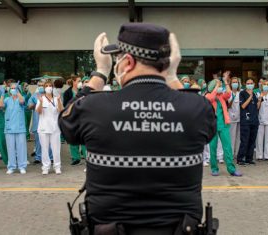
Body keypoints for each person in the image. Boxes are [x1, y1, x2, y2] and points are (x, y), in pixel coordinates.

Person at [59, 23, 216, 234]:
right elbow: (202, 119)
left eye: (118, 59)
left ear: (128, 61)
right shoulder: (197, 108)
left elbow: (66, 122)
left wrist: (100, 72)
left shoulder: (93, 107)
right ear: (167, 63)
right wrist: (172, 77)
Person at [205, 72, 242, 176]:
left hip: (224, 125)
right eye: (218, 86)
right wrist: (217, 85)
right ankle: (214, 168)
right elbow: (211, 98)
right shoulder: (208, 95)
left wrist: (225, 82)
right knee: (213, 148)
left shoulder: (222, 96)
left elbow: (229, 94)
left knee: (227, 148)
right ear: (213, 87)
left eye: (220, 86)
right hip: (212, 126)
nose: (220, 88)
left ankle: (231, 169)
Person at [0, 83, 27, 174]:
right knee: (10, 148)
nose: (13, 89)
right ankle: (11, 167)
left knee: (21, 148)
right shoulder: (7, 99)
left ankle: (22, 166)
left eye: (15, 88)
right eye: (11, 88)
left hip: (20, 128)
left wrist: (18, 92)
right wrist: (2, 94)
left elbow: (22, 101)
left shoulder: (21, 98)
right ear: (9, 89)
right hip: (9, 128)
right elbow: (1, 105)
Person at [36, 80, 63, 175]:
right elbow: (38, 112)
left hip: (55, 127)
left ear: (52, 87)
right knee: (44, 148)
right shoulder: (41, 98)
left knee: (56, 148)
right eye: (46, 86)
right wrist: (39, 102)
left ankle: (57, 166)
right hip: (43, 127)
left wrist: (59, 100)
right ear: (44, 88)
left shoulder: (56, 98)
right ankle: (45, 167)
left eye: (50, 85)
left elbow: (61, 110)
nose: (48, 87)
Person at [63, 75, 86, 165]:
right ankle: (75, 158)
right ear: (74, 81)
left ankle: (87, 157)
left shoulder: (83, 92)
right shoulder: (67, 93)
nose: (80, 82)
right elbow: (65, 105)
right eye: (79, 80)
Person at [237, 78, 259, 165]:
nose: (250, 84)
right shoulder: (242, 93)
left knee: (252, 141)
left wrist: (259, 100)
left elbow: (256, 107)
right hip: (245, 121)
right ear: (245, 84)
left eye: (251, 83)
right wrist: (250, 97)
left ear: (254, 84)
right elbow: (243, 106)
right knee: (244, 140)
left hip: (254, 120)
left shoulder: (255, 94)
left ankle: (249, 158)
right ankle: (240, 158)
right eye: (248, 83)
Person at [256, 80, 268, 161]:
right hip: (260, 120)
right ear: (261, 86)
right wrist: (260, 98)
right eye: (265, 84)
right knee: (259, 139)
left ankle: (267, 156)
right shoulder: (257, 94)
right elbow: (257, 107)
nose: (266, 86)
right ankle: (259, 155)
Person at [228, 77, 241, 158]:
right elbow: (228, 106)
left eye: (236, 82)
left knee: (239, 137)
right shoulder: (228, 93)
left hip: (240, 117)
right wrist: (232, 98)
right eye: (233, 82)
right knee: (232, 137)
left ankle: (237, 153)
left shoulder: (241, 93)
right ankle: (231, 154)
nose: (235, 84)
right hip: (231, 117)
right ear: (230, 84)